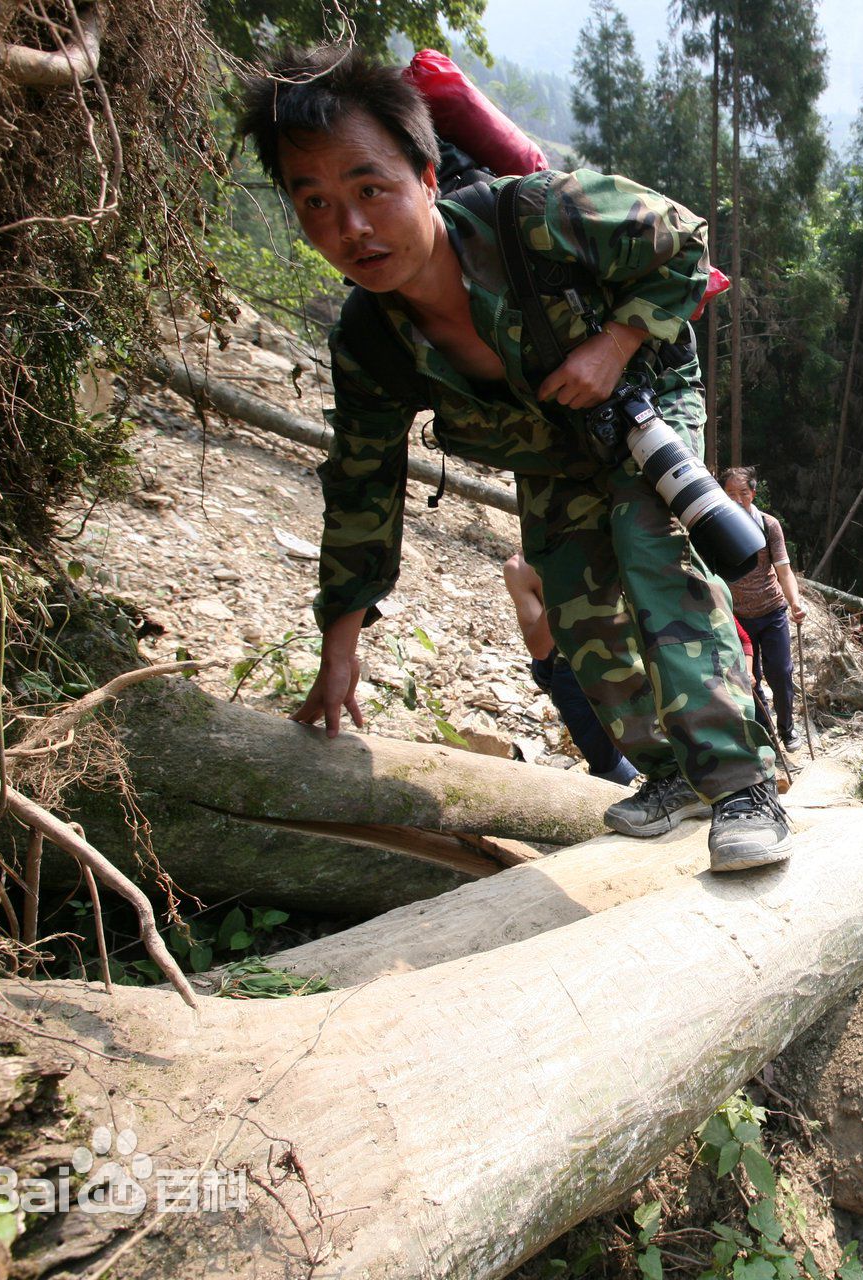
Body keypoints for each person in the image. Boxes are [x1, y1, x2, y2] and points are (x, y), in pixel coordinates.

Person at [238, 46, 790, 870]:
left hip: (639, 398)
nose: (349, 228)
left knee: (651, 549)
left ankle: (743, 784)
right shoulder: (370, 343)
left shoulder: (535, 214)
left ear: (426, 176)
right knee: (571, 602)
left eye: (368, 189)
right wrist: (340, 643)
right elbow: (362, 488)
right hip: (550, 447)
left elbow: (685, 244)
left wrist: (616, 340)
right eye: (313, 203)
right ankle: (674, 773)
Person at [502, 552, 640, 786]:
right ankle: (614, 774)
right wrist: (562, 589)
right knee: (570, 684)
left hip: (621, 646)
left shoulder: (610, 542)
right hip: (560, 660)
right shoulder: (518, 568)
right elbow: (540, 648)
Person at [719, 467, 807, 751]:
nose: (737, 499)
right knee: (749, 678)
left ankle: (787, 729)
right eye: (730, 494)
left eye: (743, 493)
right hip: (737, 617)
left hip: (772, 611)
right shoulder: (716, 529)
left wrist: (795, 602)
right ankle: (766, 733)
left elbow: (784, 571)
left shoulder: (768, 526)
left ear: (753, 494)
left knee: (780, 672)